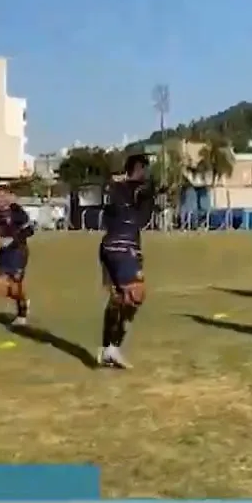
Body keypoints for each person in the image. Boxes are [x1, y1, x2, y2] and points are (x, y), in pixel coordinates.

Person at [98, 154, 157, 368]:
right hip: (123, 246)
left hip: (109, 245)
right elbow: (143, 219)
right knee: (136, 294)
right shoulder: (139, 189)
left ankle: (107, 349)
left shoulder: (114, 189)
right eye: (146, 169)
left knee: (117, 298)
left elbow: (107, 214)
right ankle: (113, 347)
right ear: (139, 168)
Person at [0, 185, 34, 327]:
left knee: (16, 285)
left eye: (4, 196)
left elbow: (30, 230)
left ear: (9, 196)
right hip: (4, 252)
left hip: (18, 251)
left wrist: (12, 239)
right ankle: (22, 299)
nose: (1, 199)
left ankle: (22, 314)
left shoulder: (17, 212)